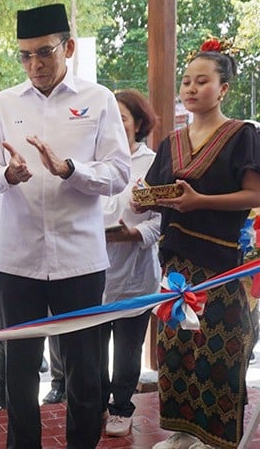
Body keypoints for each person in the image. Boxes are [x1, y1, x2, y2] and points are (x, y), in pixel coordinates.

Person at [0, 3, 130, 449]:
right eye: (24, 56)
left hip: (80, 258)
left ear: (69, 47)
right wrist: (8, 175)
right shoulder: (4, 103)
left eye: (44, 52)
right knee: (18, 370)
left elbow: (119, 173)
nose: (35, 65)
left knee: (85, 370)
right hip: (17, 259)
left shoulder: (98, 99)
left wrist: (70, 170)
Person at [143, 40, 260, 449]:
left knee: (219, 356)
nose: (191, 88)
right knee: (176, 352)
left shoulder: (242, 135)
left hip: (222, 266)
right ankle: (182, 433)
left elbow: (255, 195)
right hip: (176, 267)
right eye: (186, 81)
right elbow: (153, 193)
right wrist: (142, 199)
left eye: (202, 81)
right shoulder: (169, 144)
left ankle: (215, 440)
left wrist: (201, 202)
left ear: (223, 88)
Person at [98, 89, 161, 437]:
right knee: (91, 349)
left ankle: (121, 407)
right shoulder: (93, 159)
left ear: (138, 123)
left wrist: (136, 234)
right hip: (94, 270)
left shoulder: (153, 163)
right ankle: (94, 402)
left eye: (120, 118)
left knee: (126, 349)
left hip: (135, 272)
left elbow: (163, 217)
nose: (113, 125)